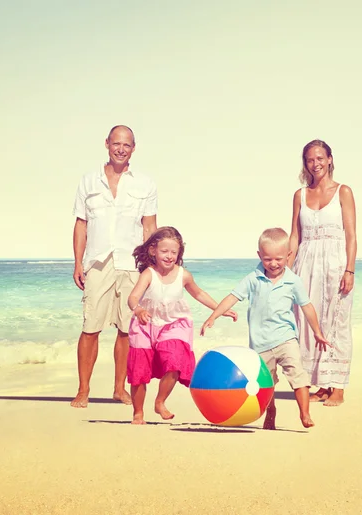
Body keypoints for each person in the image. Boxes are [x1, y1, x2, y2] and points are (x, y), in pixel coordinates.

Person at [201, 228, 329, 430]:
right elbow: (233, 297)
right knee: (265, 384)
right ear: (259, 255)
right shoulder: (253, 278)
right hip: (260, 344)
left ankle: (305, 413)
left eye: (279, 259)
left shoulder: (293, 281)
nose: (274, 264)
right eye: (268, 259)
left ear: (288, 255)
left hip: (286, 339)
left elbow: (307, 306)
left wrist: (317, 332)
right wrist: (214, 315)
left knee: (298, 376)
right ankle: (270, 411)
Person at [70, 125, 157, 408]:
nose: (121, 149)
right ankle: (83, 390)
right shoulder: (88, 181)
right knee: (90, 326)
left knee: (126, 329)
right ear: (107, 143)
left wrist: (152, 267)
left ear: (134, 148)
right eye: (116, 143)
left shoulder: (145, 183)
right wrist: (77, 263)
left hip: (132, 263)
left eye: (127, 145)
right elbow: (81, 224)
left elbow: (149, 227)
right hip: (97, 261)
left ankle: (119, 389)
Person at [127, 227, 237, 424]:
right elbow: (133, 297)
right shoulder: (148, 274)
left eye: (173, 252)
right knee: (139, 372)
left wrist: (220, 309)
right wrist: (138, 310)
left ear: (179, 253)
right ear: (153, 251)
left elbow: (199, 294)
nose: (169, 256)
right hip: (145, 324)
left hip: (174, 324)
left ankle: (160, 402)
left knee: (176, 361)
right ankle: (138, 413)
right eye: (164, 251)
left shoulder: (183, 275)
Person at [288, 139, 357, 407]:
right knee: (309, 322)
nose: (315, 164)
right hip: (305, 263)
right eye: (309, 159)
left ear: (329, 159)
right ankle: (322, 383)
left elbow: (351, 235)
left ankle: (337, 386)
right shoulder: (300, 195)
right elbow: (295, 236)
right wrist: (286, 271)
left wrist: (349, 269)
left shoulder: (343, 191)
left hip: (335, 263)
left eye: (320, 158)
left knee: (336, 321)